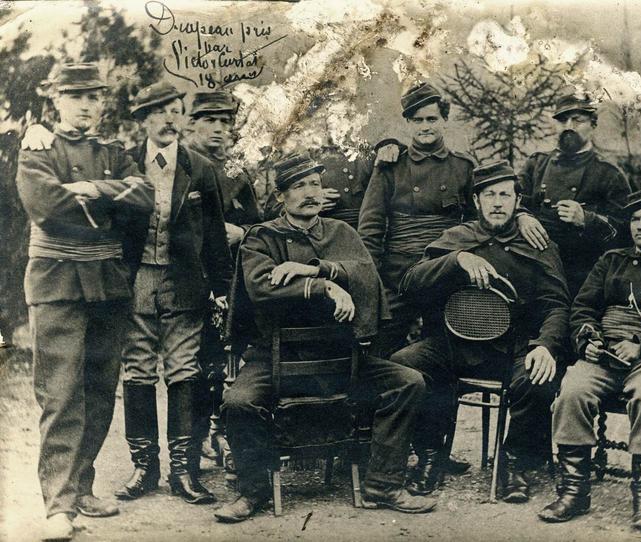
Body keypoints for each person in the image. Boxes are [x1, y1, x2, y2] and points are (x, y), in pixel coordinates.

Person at [215, 153, 436, 522]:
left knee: (408, 383)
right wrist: (325, 289)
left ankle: (383, 484)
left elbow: (368, 277)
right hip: (275, 358)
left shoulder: (341, 233)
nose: (310, 192)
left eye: (315, 183)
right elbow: (261, 288)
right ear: (281, 196)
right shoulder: (262, 237)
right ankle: (251, 492)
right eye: (299, 186)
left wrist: (322, 270)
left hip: (340, 358)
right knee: (238, 402)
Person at [15, 63, 153, 541]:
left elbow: (145, 196)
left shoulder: (114, 153)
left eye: (93, 97)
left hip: (107, 286)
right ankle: (58, 505)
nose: (86, 106)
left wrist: (95, 189)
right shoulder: (37, 150)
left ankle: (83, 487)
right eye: (75, 97)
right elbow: (46, 207)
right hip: (56, 285)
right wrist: (109, 205)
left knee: (98, 391)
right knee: (60, 395)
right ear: (57, 101)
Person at [391, 160, 571, 501]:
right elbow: (409, 283)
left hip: (515, 349)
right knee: (405, 364)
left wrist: (546, 344)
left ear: (518, 202)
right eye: (490, 195)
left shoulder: (536, 242)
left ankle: (514, 462)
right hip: (455, 345)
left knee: (538, 376)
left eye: (506, 194)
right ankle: (430, 454)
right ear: (477, 201)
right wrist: (456, 259)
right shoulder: (457, 238)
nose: (498, 202)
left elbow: (557, 304)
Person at [538, 186, 641, 532]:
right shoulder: (611, 260)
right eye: (635, 219)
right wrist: (588, 340)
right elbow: (583, 307)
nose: (639, 226)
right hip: (603, 353)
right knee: (571, 391)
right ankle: (574, 492)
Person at [358, 82, 549, 358]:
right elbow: (370, 229)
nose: (426, 126)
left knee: (446, 350)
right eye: (418, 120)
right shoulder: (391, 166)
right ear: (408, 123)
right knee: (378, 345)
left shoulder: (462, 166)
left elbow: (486, 210)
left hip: (446, 272)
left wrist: (520, 215)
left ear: (444, 120)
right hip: (397, 275)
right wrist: (373, 282)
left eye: (432, 119)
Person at [113, 82, 233, 505]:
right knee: (138, 370)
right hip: (136, 281)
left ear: (184, 119)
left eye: (175, 112)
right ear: (143, 120)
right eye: (158, 112)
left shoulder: (200, 168)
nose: (168, 120)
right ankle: (144, 469)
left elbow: (215, 234)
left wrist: (221, 288)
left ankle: (184, 473)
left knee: (184, 369)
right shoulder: (123, 163)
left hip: (185, 283)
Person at [184, 90, 261, 481]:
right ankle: (191, 447)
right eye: (209, 121)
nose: (218, 129)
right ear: (191, 124)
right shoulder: (181, 165)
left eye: (225, 122)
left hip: (230, 281)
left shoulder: (236, 171)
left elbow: (261, 227)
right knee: (193, 367)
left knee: (224, 362)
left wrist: (240, 232)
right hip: (186, 280)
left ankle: (222, 437)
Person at [519, 93, 632, 298]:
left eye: (577, 120)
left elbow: (627, 232)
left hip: (581, 275)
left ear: (593, 125)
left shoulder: (609, 174)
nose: (569, 126)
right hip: (532, 267)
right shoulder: (536, 164)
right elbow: (512, 199)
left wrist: (587, 220)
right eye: (562, 120)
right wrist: (522, 216)